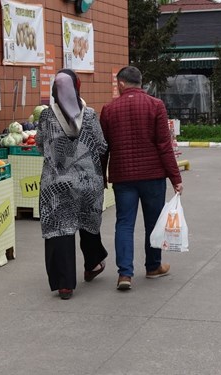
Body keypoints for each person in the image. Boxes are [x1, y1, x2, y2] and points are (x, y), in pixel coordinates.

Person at [100, 66, 183, 291]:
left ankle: (125, 274)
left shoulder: (108, 109)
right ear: (141, 82)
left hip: (123, 177)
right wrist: (175, 177)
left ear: (121, 84)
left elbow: (103, 148)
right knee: (153, 223)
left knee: (124, 224)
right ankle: (153, 266)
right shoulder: (156, 105)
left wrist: (102, 175)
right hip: (153, 176)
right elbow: (164, 145)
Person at [36, 69, 109, 300]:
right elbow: (101, 145)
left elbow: (39, 144)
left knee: (60, 227)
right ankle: (93, 263)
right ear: (77, 87)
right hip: (87, 180)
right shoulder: (89, 115)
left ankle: (64, 284)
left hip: (56, 182)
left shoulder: (46, 117)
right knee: (87, 220)